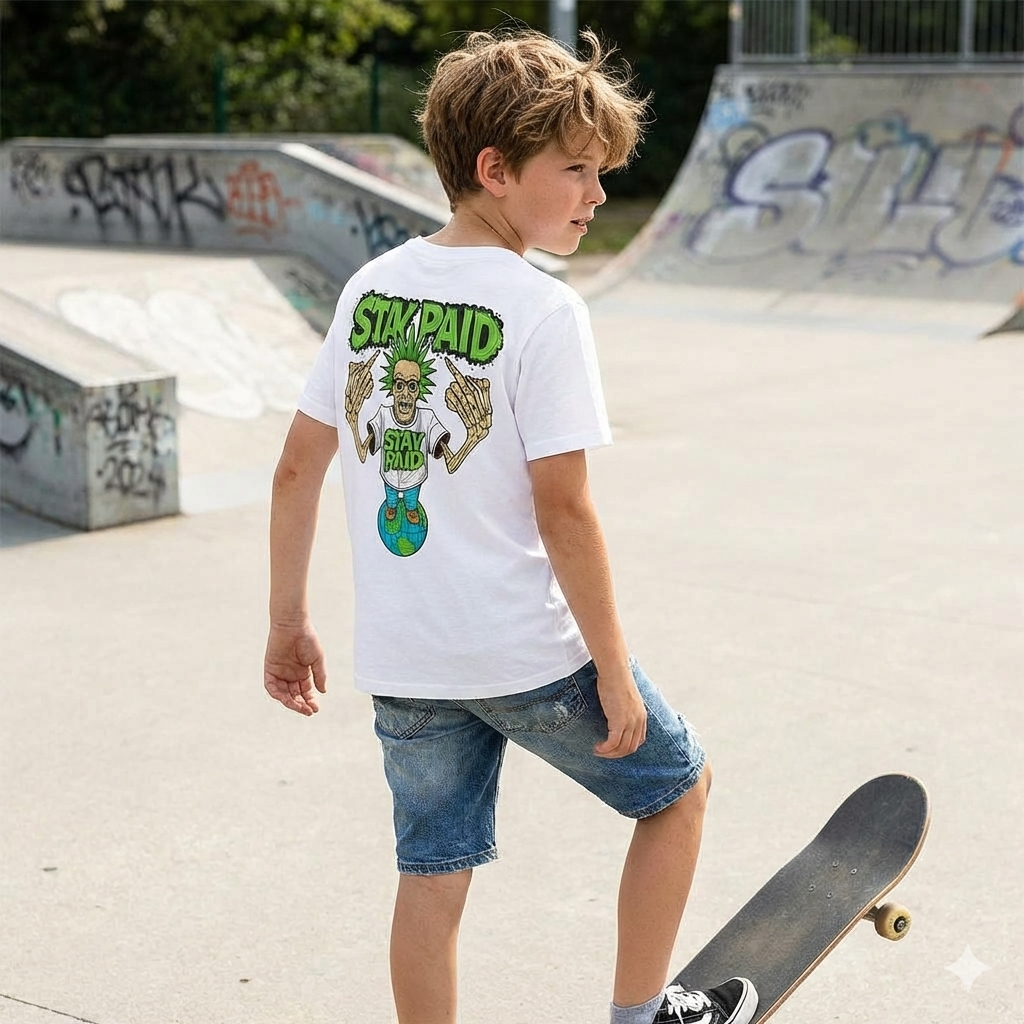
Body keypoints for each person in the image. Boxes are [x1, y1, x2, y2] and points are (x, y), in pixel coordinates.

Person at [263, 27, 758, 1024]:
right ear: (495, 170)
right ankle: (640, 1015)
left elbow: (296, 467)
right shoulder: (541, 310)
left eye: (600, 172)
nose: (596, 194)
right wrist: (611, 670)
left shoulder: (369, 289)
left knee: (431, 873)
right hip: (526, 654)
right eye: (575, 169)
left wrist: (288, 621)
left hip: (407, 659)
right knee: (678, 790)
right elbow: (563, 508)